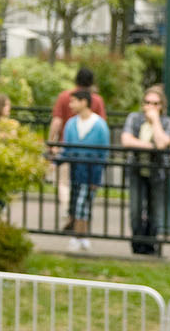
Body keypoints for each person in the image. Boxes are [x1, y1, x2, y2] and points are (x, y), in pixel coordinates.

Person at [121, 84, 170, 254]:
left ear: (162, 106)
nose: (151, 107)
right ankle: (137, 244)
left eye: (156, 104)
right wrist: (151, 146)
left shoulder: (167, 122)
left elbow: (163, 143)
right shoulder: (134, 118)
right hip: (136, 170)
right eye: (148, 102)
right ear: (143, 104)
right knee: (135, 209)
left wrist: (155, 121)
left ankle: (150, 245)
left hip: (157, 173)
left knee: (154, 211)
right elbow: (126, 140)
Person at [49, 67, 105, 228]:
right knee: (84, 186)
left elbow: (57, 121)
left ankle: (71, 212)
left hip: (67, 147)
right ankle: (79, 215)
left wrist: (51, 143)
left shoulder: (64, 96)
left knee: (65, 183)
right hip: (89, 153)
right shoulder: (97, 100)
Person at [59, 88, 110, 251]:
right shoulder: (71, 124)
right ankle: (80, 235)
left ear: (84, 102)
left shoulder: (100, 125)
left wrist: (97, 179)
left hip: (91, 174)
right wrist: (55, 163)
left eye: (73, 101)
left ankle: (78, 236)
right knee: (76, 205)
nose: (70, 104)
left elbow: (103, 154)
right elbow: (67, 150)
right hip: (76, 172)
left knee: (83, 205)